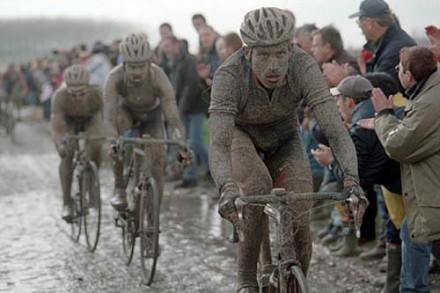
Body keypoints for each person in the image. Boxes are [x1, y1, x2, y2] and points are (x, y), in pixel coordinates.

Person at [209, 7, 364, 292]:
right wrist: (227, 187)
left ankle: (293, 280)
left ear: (289, 49)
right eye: (264, 55)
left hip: (284, 137)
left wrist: (352, 180)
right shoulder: (229, 74)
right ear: (248, 53)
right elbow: (218, 143)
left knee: (298, 206)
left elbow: (335, 131)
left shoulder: (302, 65)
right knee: (256, 185)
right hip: (241, 135)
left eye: (280, 54)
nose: (274, 66)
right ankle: (246, 280)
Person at [370, 46, 440, 293]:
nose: (396, 72)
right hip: (430, 192)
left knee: (414, 231)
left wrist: (383, 114)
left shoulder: (429, 103)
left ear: (409, 76)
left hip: (432, 195)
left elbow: (398, 146)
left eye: (399, 69)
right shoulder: (430, 92)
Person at [103, 33, 186, 209]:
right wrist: (112, 140)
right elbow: (109, 116)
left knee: (157, 165)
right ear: (123, 64)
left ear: (149, 62)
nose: (137, 72)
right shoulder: (114, 77)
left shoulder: (159, 76)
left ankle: (152, 212)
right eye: (132, 67)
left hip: (152, 115)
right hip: (126, 112)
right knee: (117, 146)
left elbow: (172, 116)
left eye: (141, 66)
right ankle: (119, 187)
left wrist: (179, 141)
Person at [50, 65, 104, 222]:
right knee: (67, 153)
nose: (78, 97)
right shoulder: (59, 97)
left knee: (96, 144)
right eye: (73, 94)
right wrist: (60, 145)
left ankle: (91, 182)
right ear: (67, 89)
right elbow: (57, 127)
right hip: (69, 123)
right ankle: (67, 201)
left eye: (82, 93)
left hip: (91, 120)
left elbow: (108, 118)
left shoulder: (97, 93)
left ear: (88, 86)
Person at [324, 0, 416, 89]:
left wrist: (345, 79)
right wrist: (355, 74)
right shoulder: (388, 45)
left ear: (369, 24)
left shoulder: (396, 49)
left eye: (359, 23)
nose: (361, 31)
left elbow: (382, 89)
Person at [160, 35, 208, 188]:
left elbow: (190, 88)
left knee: (195, 142)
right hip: (181, 108)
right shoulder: (170, 63)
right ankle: (189, 176)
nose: (165, 49)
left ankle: (213, 171)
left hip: (195, 108)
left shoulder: (189, 61)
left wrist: (179, 110)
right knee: (185, 144)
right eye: (164, 46)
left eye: (168, 45)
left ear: (176, 45)